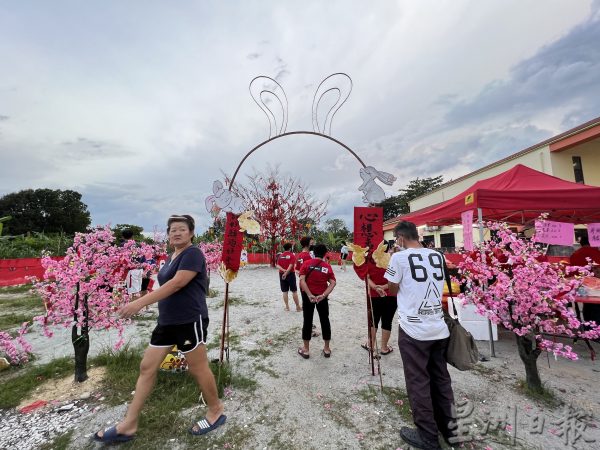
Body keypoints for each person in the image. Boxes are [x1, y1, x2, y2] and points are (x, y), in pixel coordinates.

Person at [94, 215, 225, 444]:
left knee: (198, 368)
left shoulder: (192, 254)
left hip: (188, 321)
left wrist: (140, 302)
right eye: (172, 230)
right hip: (166, 321)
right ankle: (129, 423)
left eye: (182, 229)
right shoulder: (170, 257)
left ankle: (215, 410)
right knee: (147, 367)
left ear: (191, 233)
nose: (176, 233)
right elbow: (164, 285)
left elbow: (177, 283)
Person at [384, 221, 455, 450]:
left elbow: (392, 289)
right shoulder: (437, 255)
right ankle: (451, 431)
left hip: (414, 329)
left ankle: (427, 437)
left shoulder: (399, 257)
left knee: (418, 382)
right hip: (438, 326)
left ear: (401, 239)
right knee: (441, 379)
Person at [297, 244, 336, 359]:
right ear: (325, 254)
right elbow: (333, 282)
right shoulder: (327, 266)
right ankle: (327, 349)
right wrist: (323, 295)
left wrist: (309, 294)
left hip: (308, 297)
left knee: (307, 321)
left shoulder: (306, 264)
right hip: (321, 298)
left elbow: (302, 281)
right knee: (325, 320)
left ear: (313, 252)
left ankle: (306, 350)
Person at [361, 242, 397, 356]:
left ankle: (371, 345)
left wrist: (376, 288)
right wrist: (384, 287)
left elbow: (366, 278)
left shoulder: (369, 261)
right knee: (387, 321)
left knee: (373, 321)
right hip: (390, 295)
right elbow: (397, 279)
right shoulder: (392, 261)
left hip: (374, 295)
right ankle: (384, 348)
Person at [276, 242, 302, 312]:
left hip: (281, 274)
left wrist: (283, 271)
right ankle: (298, 307)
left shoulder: (280, 256)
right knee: (294, 291)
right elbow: (291, 266)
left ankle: (287, 307)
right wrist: (286, 272)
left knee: (285, 291)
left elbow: (277, 265)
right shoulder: (292, 255)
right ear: (290, 248)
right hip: (290, 274)